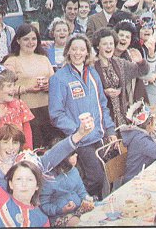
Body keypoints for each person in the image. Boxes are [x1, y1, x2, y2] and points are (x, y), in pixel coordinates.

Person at [48, 34, 117, 200]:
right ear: (68, 52)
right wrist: (77, 130)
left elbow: (102, 104)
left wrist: (110, 129)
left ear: (88, 52)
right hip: (80, 139)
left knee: (108, 177)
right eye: (74, 49)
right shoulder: (59, 77)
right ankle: (75, 202)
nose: (78, 53)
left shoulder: (93, 73)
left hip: (99, 136)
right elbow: (56, 114)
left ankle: (94, 207)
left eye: (82, 49)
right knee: (96, 178)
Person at [4, 23, 58, 149]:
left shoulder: (44, 58)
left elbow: (55, 81)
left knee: (51, 147)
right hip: (26, 112)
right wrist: (27, 89)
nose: (30, 42)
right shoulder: (12, 61)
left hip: (48, 110)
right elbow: (5, 89)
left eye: (33, 39)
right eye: (26, 39)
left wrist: (49, 86)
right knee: (33, 147)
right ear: (18, 40)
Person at [0, 123, 93, 190]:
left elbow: (54, 153)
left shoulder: (26, 160)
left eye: (15, 142)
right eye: (5, 142)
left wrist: (79, 134)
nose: (10, 147)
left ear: (20, 145)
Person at [92, 27, 150, 127]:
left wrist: (140, 61)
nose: (109, 47)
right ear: (98, 46)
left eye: (111, 43)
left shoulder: (119, 63)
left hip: (121, 114)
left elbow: (142, 71)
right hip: (103, 116)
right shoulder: (91, 66)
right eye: (105, 44)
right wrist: (104, 92)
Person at [40, 139, 94, 227]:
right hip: (59, 216)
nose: (76, 155)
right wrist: (61, 210)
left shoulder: (74, 171)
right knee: (79, 224)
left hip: (77, 209)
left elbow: (81, 191)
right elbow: (44, 205)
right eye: (72, 154)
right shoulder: (48, 179)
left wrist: (87, 200)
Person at [121, 100, 156, 183]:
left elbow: (155, 146)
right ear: (150, 123)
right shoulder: (140, 139)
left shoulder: (139, 135)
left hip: (140, 174)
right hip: (134, 179)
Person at [0, 160, 49, 227]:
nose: (24, 184)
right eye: (19, 179)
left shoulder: (42, 220)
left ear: (37, 186)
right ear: (10, 184)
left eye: (30, 179)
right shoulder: (1, 199)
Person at [112, 18, 149, 105]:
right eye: (121, 35)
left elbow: (144, 72)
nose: (124, 39)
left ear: (130, 42)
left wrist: (140, 62)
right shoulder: (107, 55)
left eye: (127, 37)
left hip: (129, 102)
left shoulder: (131, 56)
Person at [136, 12, 156, 107]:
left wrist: (155, 76)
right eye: (143, 28)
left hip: (153, 88)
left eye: (149, 28)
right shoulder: (135, 48)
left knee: (154, 114)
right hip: (139, 88)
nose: (147, 30)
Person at [0, 67, 34, 149]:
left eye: (14, 85)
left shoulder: (19, 104)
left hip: (18, 150)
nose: (13, 89)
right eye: (9, 86)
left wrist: (27, 149)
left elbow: (27, 130)